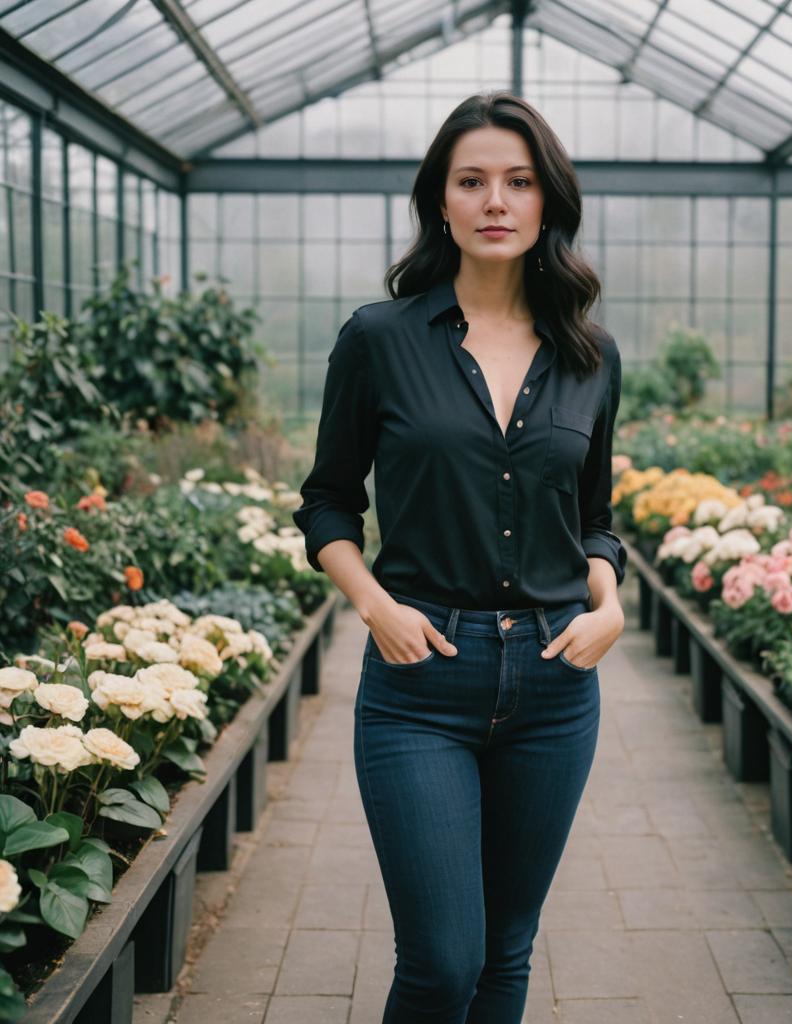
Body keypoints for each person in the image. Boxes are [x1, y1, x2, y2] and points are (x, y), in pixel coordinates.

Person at [292, 90, 627, 1024]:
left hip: (559, 683)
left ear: (547, 202)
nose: (495, 200)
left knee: (505, 957)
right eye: (471, 180)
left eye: (518, 182)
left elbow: (594, 519)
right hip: (421, 678)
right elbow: (326, 501)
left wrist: (611, 606)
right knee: (443, 962)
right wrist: (375, 605)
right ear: (439, 201)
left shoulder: (589, 356)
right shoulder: (381, 339)